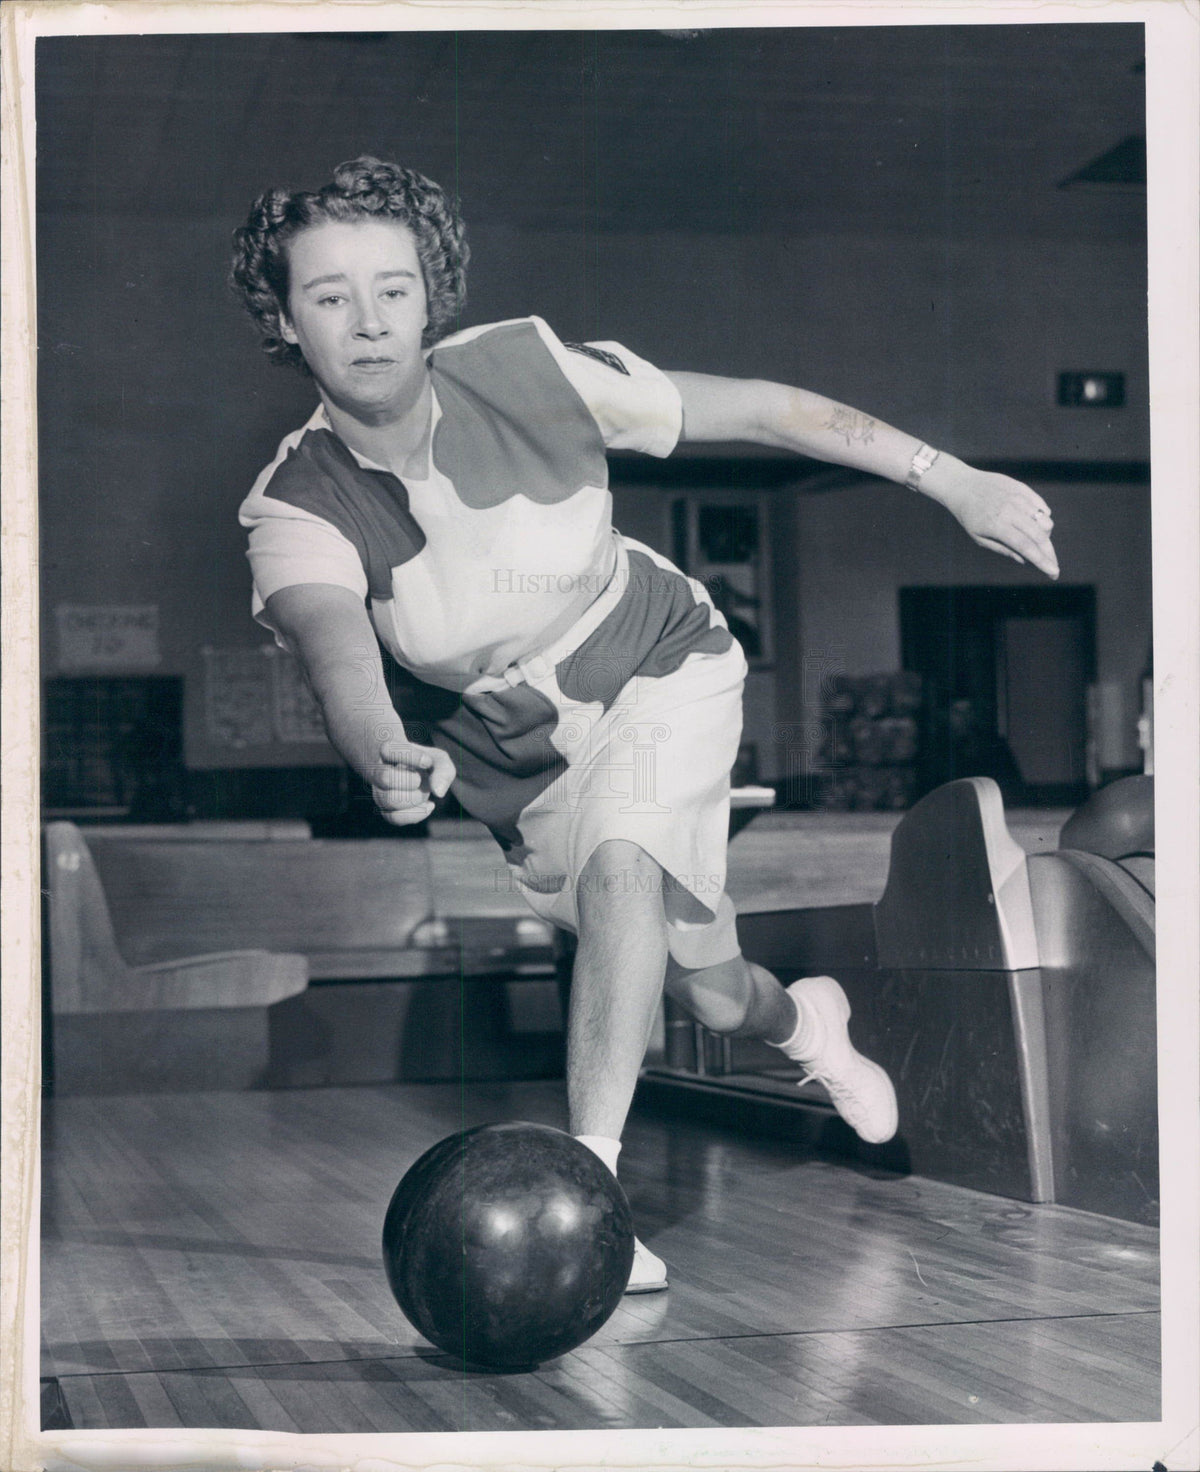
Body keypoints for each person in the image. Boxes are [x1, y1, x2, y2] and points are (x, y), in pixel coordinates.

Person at [231, 157, 1059, 1294]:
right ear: (283, 318)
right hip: (514, 757)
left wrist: (950, 477)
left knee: (626, 868)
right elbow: (339, 655)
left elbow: (766, 407)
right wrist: (377, 744)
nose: (369, 321)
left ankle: (592, 1197)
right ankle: (806, 1026)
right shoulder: (293, 504)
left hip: (661, 660)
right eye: (329, 296)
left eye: (394, 287)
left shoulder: (531, 372)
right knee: (705, 984)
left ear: (433, 295)